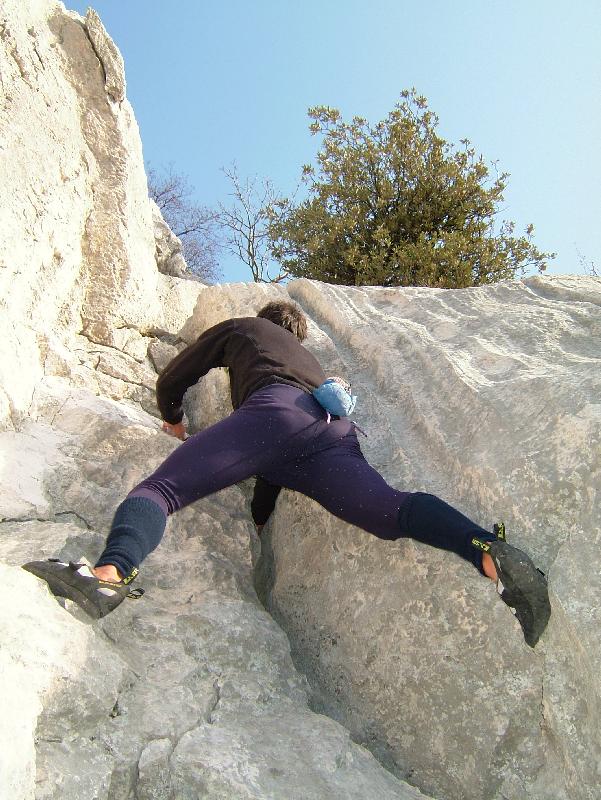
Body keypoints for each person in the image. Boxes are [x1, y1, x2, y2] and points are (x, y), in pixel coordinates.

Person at [23, 301, 550, 647]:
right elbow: (272, 462)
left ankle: (110, 576)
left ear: (265, 318)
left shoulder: (246, 330)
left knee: (160, 490)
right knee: (392, 511)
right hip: (333, 430)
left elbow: (179, 372)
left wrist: (173, 417)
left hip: (273, 415)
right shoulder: (310, 362)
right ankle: (488, 550)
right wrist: (259, 517)